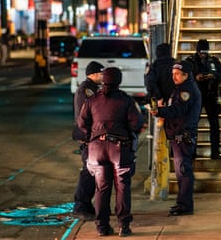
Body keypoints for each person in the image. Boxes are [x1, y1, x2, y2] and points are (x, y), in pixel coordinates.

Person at [75, 67, 145, 236]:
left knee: (101, 188)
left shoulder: (92, 100)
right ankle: (124, 225)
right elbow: (136, 123)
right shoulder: (125, 100)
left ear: (104, 79)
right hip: (118, 148)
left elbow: (82, 123)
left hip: (96, 149)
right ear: (119, 81)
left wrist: (95, 133)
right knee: (122, 187)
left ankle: (102, 226)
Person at [149, 61, 201, 216]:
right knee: (181, 172)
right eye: (173, 74)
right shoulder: (181, 89)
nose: (174, 77)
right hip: (177, 136)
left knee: (184, 171)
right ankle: (182, 203)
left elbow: (178, 109)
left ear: (186, 75)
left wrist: (160, 111)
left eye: (177, 74)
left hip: (182, 136)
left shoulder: (187, 91)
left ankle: (185, 205)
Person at [71, 61, 104, 220]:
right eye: (101, 73)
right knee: (88, 173)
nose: (103, 77)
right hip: (88, 137)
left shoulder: (93, 88)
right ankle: (80, 206)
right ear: (94, 74)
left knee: (92, 172)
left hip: (92, 136)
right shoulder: (87, 90)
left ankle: (86, 205)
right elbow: (89, 114)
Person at [187, 39, 221, 159]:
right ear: (197, 51)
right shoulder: (190, 61)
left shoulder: (214, 61)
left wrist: (213, 76)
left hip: (211, 95)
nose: (202, 54)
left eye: (204, 52)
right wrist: (195, 78)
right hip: (195, 96)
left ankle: (215, 152)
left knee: (214, 125)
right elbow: (182, 76)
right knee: (192, 124)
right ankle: (191, 151)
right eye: (200, 52)